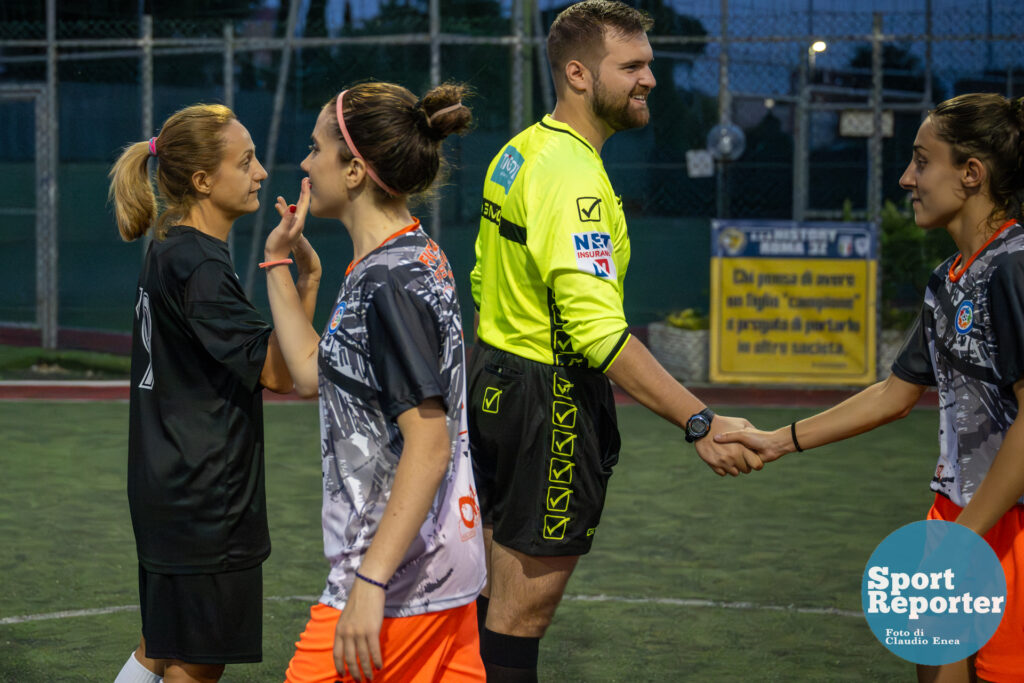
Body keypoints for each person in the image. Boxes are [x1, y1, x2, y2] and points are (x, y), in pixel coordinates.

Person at [466, 1, 762, 680]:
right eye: (631, 65)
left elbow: (485, 277)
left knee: (490, 599)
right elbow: (599, 332)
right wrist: (699, 419)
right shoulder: (573, 179)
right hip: (551, 400)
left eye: (649, 64)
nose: (649, 79)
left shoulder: (519, 151)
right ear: (577, 72)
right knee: (519, 618)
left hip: (496, 382)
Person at [717, 93, 1024, 683]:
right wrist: (778, 441)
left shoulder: (1014, 267)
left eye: (921, 161)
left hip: (1005, 523)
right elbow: (895, 393)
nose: (908, 178)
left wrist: (966, 539)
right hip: (954, 514)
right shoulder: (947, 279)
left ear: (971, 174)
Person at [262, 81, 486, 683]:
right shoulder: (404, 257)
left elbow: (430, 442)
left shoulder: (388, 281)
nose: (305, 164)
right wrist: (280, 266)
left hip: (399, 581)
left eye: (315, 149)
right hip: (439, 569)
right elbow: (313, 374)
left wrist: (369, 581)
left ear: (354, 170)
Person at [108, 104, 321, 683]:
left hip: (165, 486)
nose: (259, 174)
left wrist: (302, 280)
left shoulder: (169, 247)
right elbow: (285, 373)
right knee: (195, 664)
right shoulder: (202, 266)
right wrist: (296, 274)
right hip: (206, 497)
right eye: (245, 161)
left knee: (161, 644)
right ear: (203, 180)